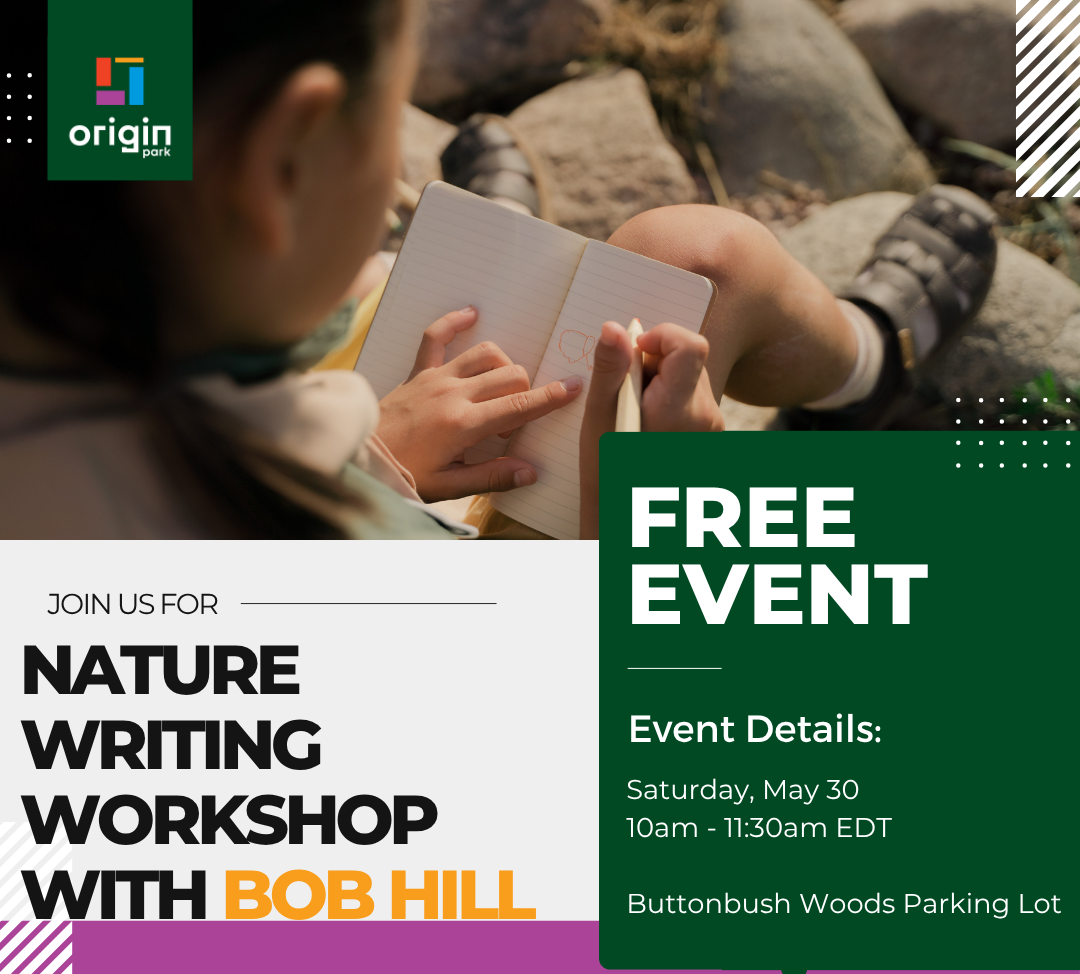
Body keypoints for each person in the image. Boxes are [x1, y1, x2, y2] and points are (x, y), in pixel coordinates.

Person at [0, 0, 997, 541]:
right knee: (705, 262)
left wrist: (365, 450)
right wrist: (659, 531)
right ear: (281, 166)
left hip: (355, 438)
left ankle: (864, 363)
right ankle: (876, 357)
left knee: (677, 263)